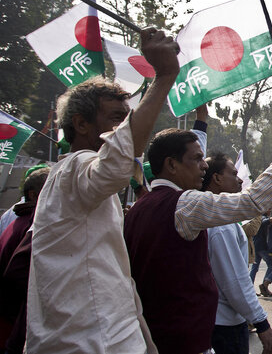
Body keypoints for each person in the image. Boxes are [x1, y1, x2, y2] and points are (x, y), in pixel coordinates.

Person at [27, 28, 179, 353]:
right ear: (81, 125)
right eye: (116, 119)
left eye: (127, 120)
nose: (124, 129)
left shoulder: (87, 182)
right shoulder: (74, 168)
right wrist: (164, 76)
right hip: (89, 342)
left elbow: (116, 274)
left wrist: (145, 340)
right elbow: (115, 165)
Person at [124, 112, 272, 354]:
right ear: (171, 164)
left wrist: (202, 115)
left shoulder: (138, 209)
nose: (204, 165)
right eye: (197, 158)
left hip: (157, 336)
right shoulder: (185, 204)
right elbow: (252, 201)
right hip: (187, 340)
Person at [201, 153, 272, 354]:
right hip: (225, 323)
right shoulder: (220, 225)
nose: (240, 179)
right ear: (217, 178)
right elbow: (235, 281)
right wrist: (261, 323)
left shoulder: (212, 214)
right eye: (233, 174)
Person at [0, 168, 49, 353]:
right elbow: (17, 273)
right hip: (13, 324)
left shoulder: (17, 220)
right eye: (49, 188)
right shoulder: (32, 223)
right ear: (34, 195)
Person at [250, 213, 272, 296]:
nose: (269, 210)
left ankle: (250, 290)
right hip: (261, 247)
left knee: (254, 268)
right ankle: (264, 286)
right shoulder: (262, 218)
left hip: (256, 246)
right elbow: (265, 222)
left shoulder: (255, 217)